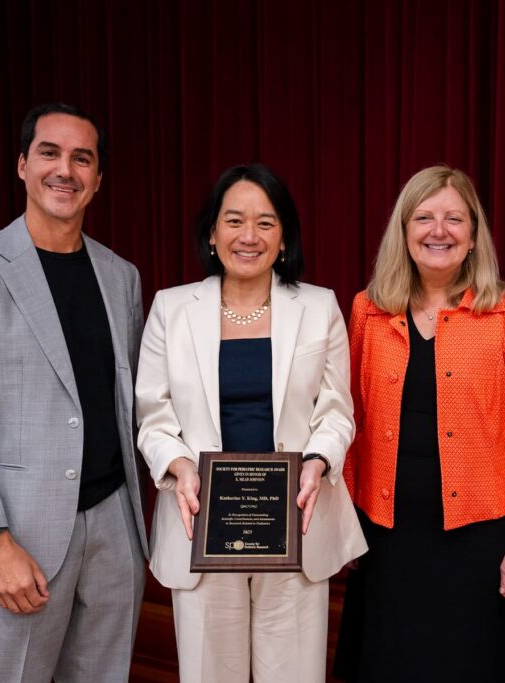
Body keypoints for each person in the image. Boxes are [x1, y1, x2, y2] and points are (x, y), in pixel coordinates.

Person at [0, 102, 148, 682]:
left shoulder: (121, 277)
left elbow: (130, 405)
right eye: (49, 153)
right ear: (22, 165)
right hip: (18, 538)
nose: (64, 170)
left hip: (115, 531)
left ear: (97, 179)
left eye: (81, 158)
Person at [135, 164, 366, 683]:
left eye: (265, 222)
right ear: (212, 233)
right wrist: (177, 465)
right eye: (234, 220)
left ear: (284, 237)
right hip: (201, 522)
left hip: (295, 523)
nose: (248, 235)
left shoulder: (318, 305)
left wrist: (317, 460)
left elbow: (336, 410)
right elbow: (152, 414)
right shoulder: (171, 309)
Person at [335, 165, 505, 682]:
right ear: (404, 231)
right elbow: (349, 423)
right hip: (386, 536)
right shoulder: (367, 310)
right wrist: (341, 527)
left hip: (478, 543)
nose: (439, 230)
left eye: (455, 218)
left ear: (473, 235)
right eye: (425, 217)